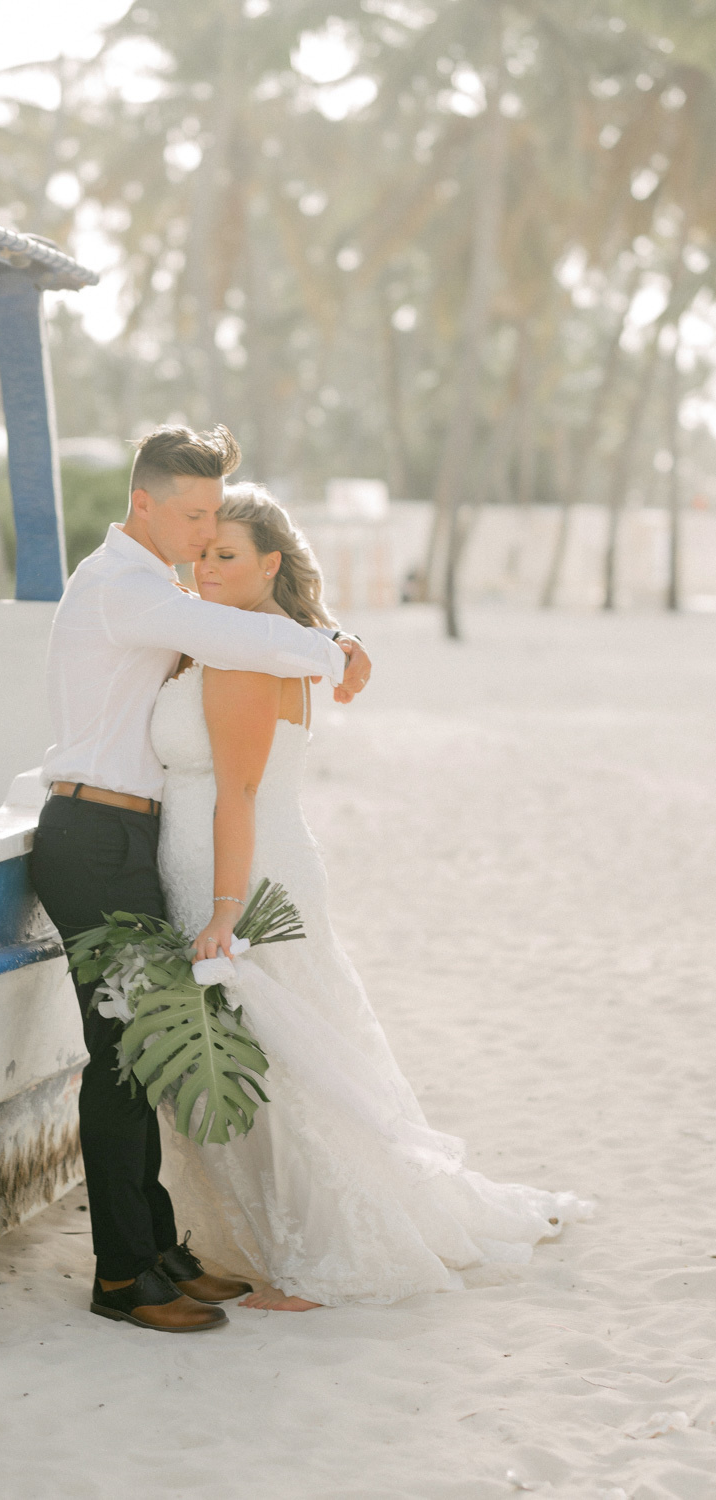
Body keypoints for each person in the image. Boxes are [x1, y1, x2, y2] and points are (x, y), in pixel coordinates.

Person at [151, 482, 588, 1310]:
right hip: (237, 862)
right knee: (287, 1048)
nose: (203, 568)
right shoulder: (264, 637)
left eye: (225, 555)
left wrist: (222, 910)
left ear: (269, 563)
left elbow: (236, 793)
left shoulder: (250, 650)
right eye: (201, 551)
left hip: (241, 872)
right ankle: (284, 1238)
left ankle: (320, 1257)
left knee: (284, 1062)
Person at [29, 425, 372, 1333]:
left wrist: (324, 634)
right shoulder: (124, 590)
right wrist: (336, 647)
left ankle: (159, 1250)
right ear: (141, 504)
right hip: (93, 833)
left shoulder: (154, 585)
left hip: (121, 833)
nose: (201, 530)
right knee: (119, 1063)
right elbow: (237, 636)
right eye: (189, 514)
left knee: (139, 1054)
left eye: (214, 514)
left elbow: (237, 635)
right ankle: (122, 1276)